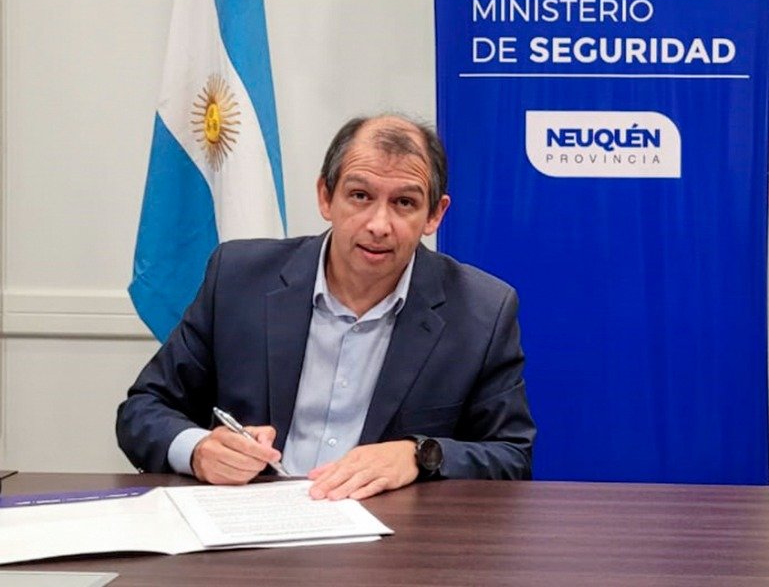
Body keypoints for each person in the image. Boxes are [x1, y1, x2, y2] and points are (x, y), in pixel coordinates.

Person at [117, 114, 535, 500]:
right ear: (326, 196)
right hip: (250, 523)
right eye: (360, 196)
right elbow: (143, 408)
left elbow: (511, 456)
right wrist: (198, 450)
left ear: (434, 215)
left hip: (389, 535)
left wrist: (419, 454)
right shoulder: (238, 279)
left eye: (404, 203)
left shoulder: (480, 311)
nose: (378, 225)